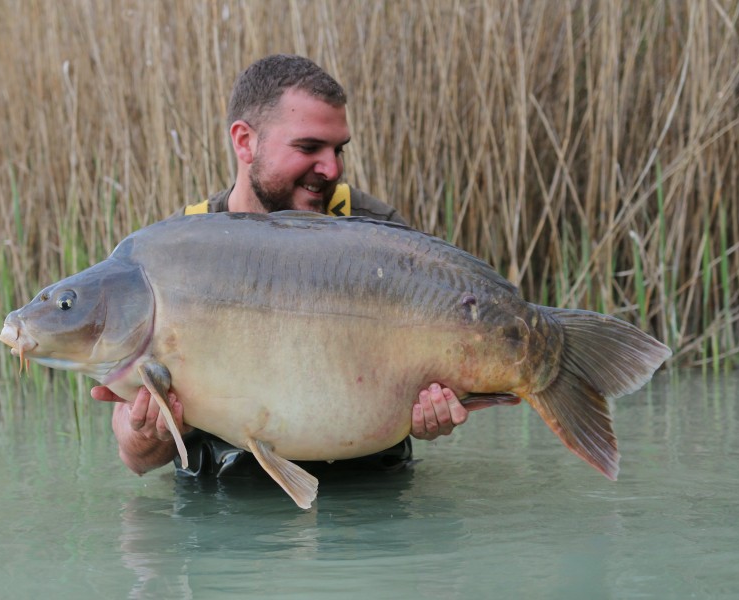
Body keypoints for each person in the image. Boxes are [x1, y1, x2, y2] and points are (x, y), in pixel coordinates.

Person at [91, 54, 469, 479]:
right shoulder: (177, 252)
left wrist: (437, 407)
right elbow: (136, 458)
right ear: (245, 141)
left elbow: (445, 372)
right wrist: (150, 431)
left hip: (371, 498)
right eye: (308, 148)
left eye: (338, 149)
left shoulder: (376, 238)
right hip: (227, 511)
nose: (332, 168)